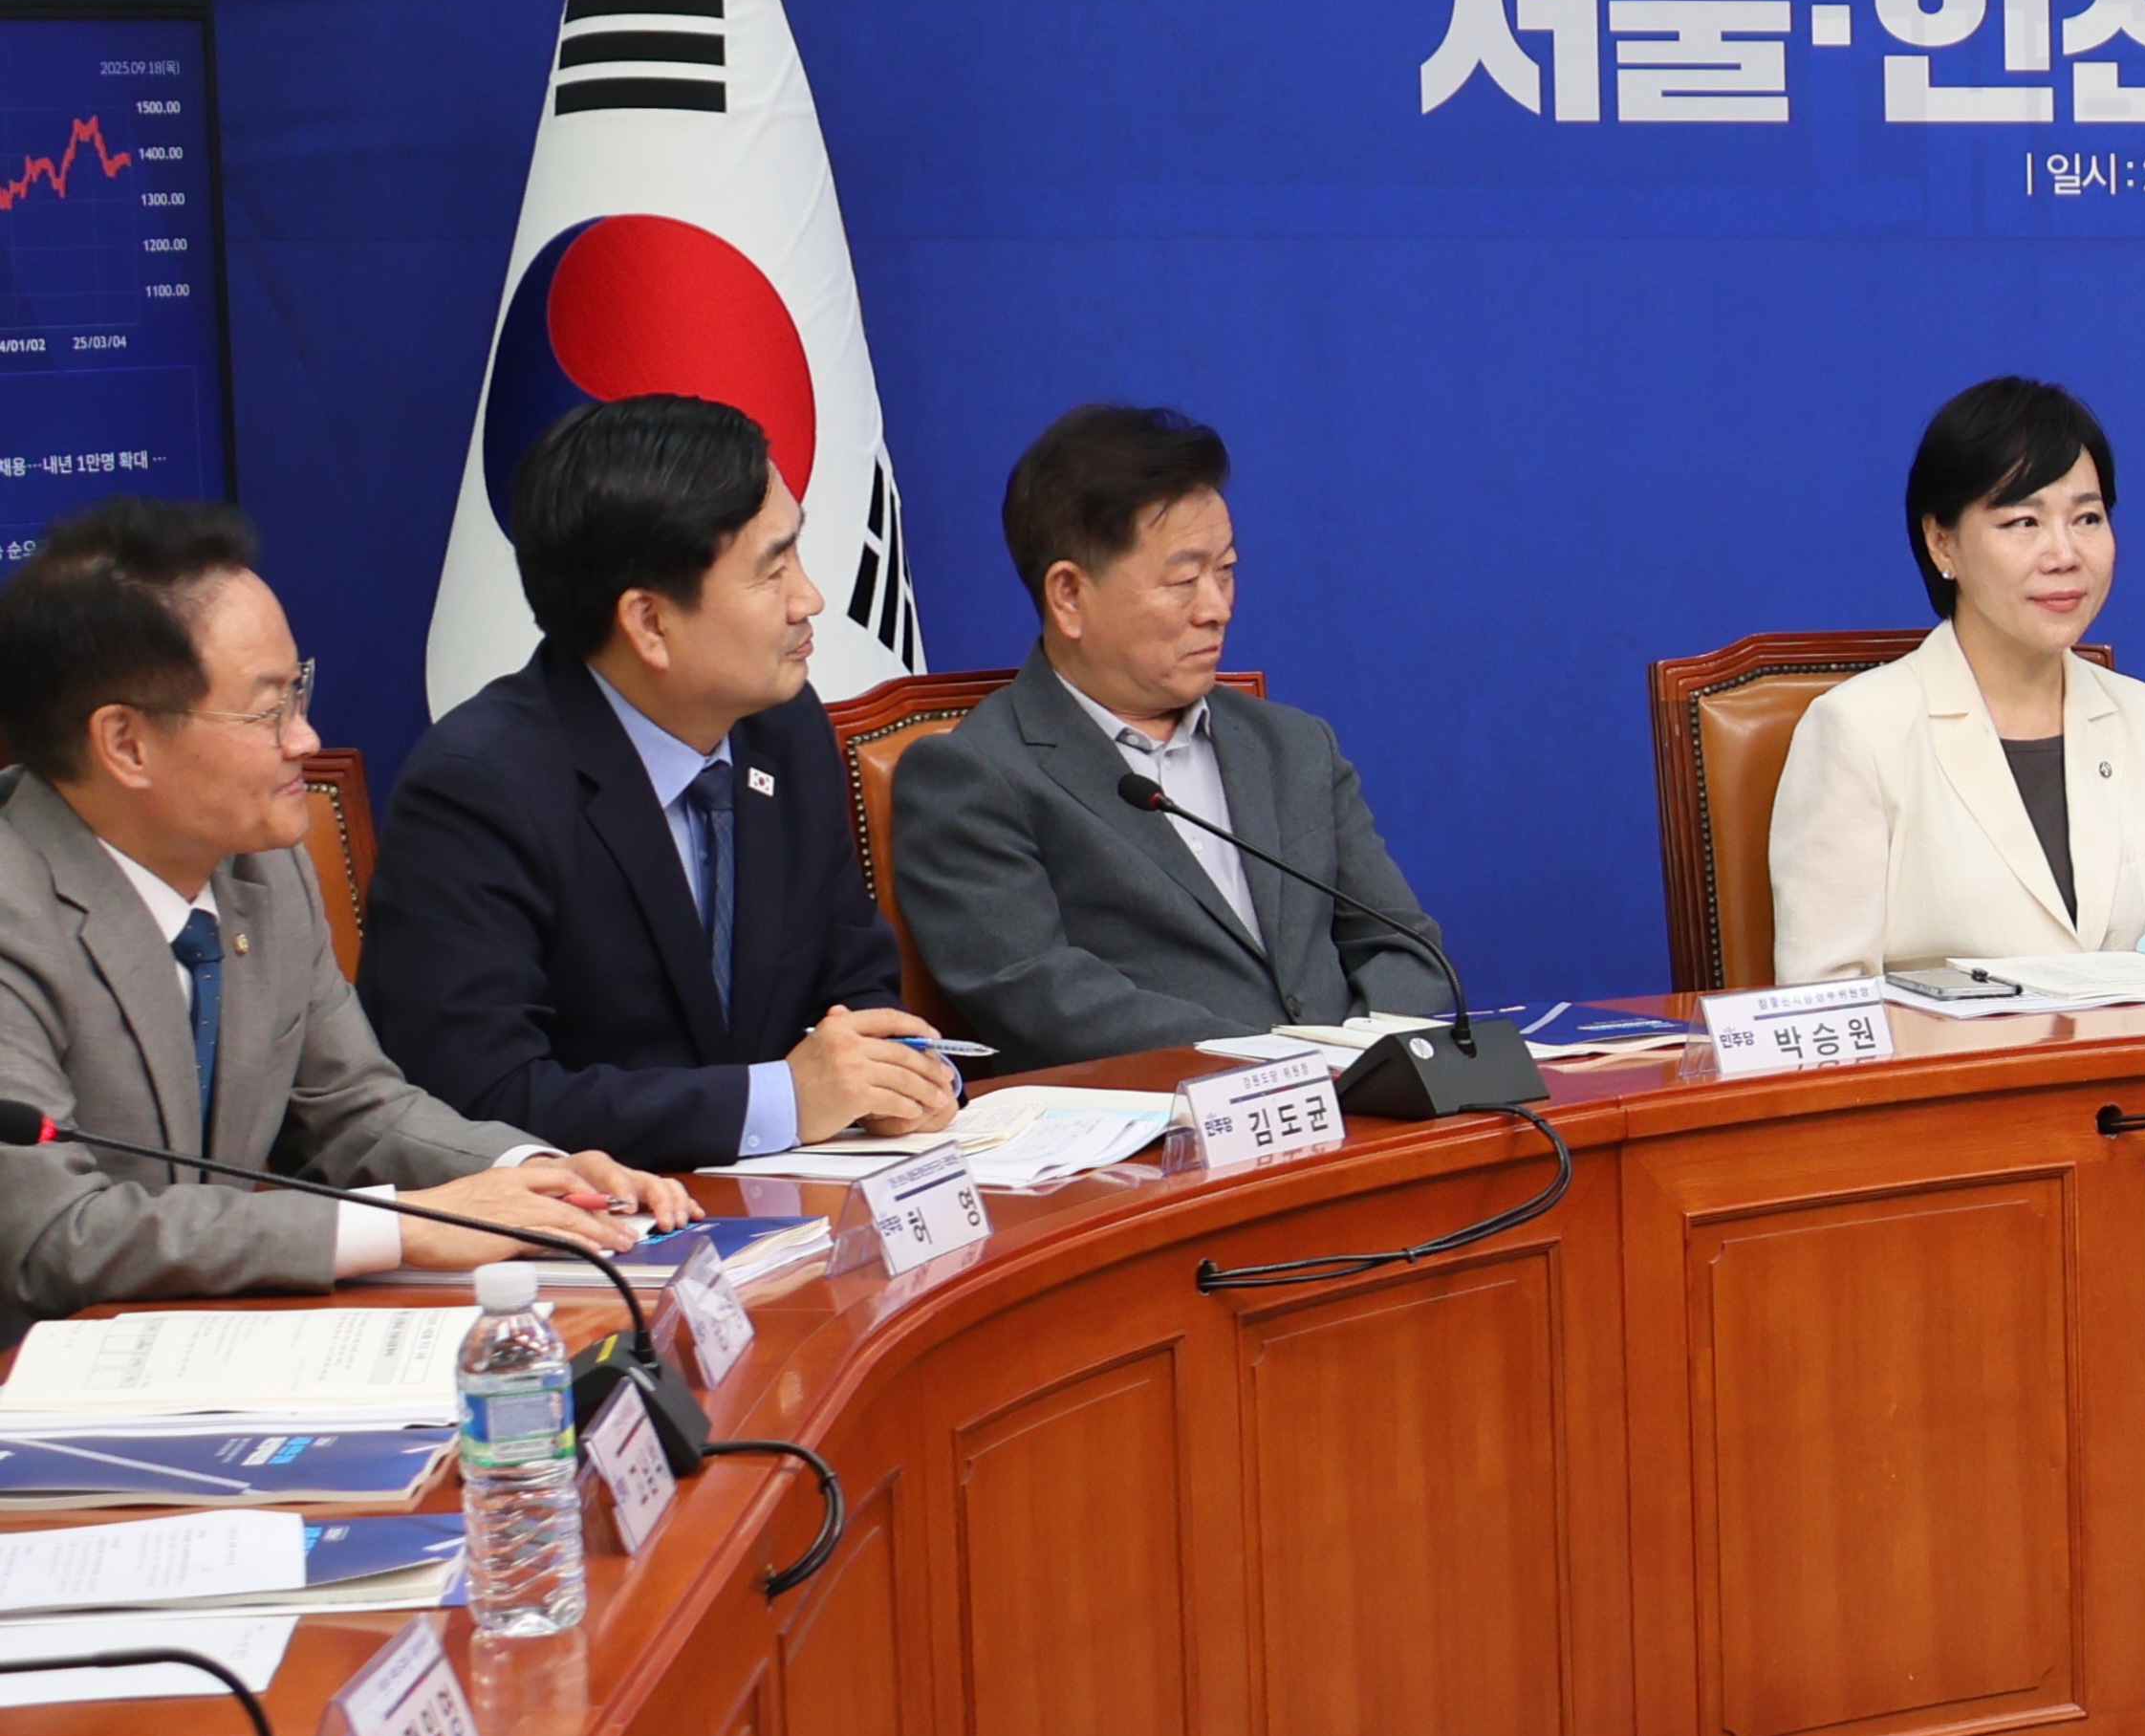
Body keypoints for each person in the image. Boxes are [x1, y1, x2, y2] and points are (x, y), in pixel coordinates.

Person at [0, 499, 687, 1316]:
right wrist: (399, 1227)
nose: (305, 739)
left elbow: (353, 1110)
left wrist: (531, 1175)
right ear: (125, 743)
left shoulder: (262, 864)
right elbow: (54, 1233)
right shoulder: (16, 905)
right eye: (268, 711)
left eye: (299, 693)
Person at [359, 396, 957, 1167]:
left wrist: (896, 1071)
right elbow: (476, 1096)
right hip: (591, 1225)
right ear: (648, 623)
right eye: (771, 570)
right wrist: (779, 1101)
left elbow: (851, 977)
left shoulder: (782, 729)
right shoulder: (477, 788)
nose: (809, 599)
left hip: (792, 1201)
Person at [886, 406, 1467, 1065]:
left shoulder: (1294, 746)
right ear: (1069, 595)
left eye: (1226, 570)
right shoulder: (974, 775)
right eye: (1184, 580)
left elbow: (1406, 949)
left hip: (1356, 1100)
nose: (1216, 608)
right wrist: (1280, 1067)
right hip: (1163, 1116)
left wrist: (1361, 1063)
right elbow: (1039, 996)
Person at [1769, 378, 2145, 973]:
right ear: (1942, 543)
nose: (2065, 554)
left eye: (2087, 518)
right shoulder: (1859, 732)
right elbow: (1825, 997)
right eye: (2023, 522)